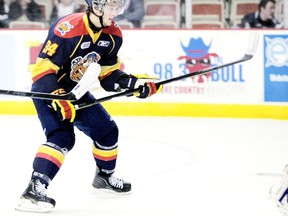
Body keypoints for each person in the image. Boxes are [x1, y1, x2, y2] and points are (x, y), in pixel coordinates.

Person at [15, 0, 162, 212]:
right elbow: (42, 71)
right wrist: (58, 97)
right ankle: (32, 191)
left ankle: (103, 177)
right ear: (97, 6)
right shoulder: (67, 29)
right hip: (49, 89)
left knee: (107, 131)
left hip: (77, 90)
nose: (117, 12)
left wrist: (134, 84)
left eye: (118, 6)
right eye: (112, 7)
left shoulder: (114, 35)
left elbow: (108, 76)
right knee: (62, 137)